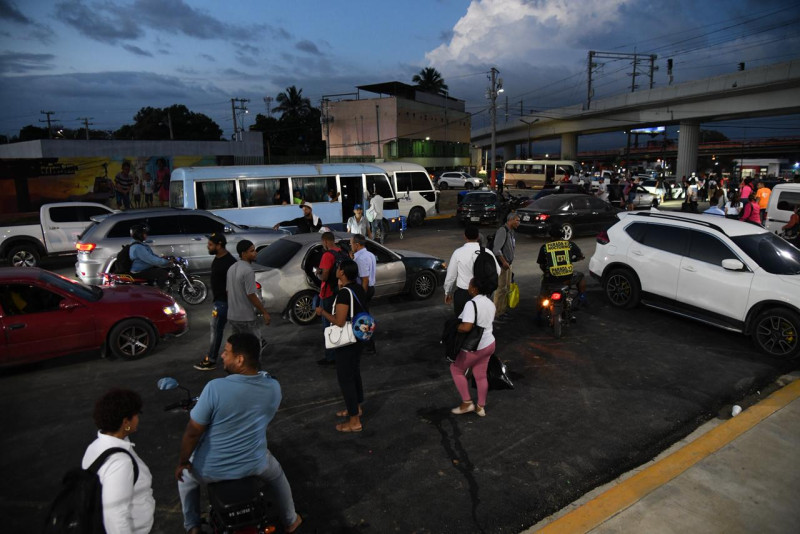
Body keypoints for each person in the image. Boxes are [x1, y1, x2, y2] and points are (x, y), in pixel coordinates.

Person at [175, 333, 302, 534]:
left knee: (185, 478)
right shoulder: (273, 387)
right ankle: (291, 520)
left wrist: (183, 462)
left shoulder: (215, 388)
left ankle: (192, 527)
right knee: (277, 475)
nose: (222, 356)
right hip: (255, 463)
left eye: (226, 352)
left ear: (240, 359)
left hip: (210, 470)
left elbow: (192, 433)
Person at [82, 388, 154, 534]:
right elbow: (115, 516)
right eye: (136, 415)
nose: (138, 419)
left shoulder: (95, 446)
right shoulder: (120, 463)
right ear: (126, 421)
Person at [315, 260, 368, 433]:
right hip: (358, 337)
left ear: (342, 272)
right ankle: (356, 408)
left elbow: (339, 321)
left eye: (338, 268)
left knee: (346, 379)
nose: (336, 270)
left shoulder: (345, 293)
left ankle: (354, 421)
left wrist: (323, 312)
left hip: (347, 342)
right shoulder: (357, 288)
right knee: (354, 373)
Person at [449, 277, 496, 418]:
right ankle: (481, 407)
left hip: (474, 347)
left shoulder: (471, 304)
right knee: (480, 376)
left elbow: (467, 327)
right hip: (489, 344)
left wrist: (455, 327)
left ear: (474, 289)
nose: (468, 287)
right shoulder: (490, 303)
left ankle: (467, 402)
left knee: (456, 369)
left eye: (470, 285)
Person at [194, 233, 237, 371]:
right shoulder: (219, 258)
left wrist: (231, 302)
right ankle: (259, 341)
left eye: (210, 244)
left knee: (216, 330)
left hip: (223, 303)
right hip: (221, 301)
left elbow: (233, 285)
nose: (208, 247)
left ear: (219, 245)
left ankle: (211, 360)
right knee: (236, 329)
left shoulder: (229, 262)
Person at [444, 225, 500, 317]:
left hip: (463, 294)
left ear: (465, 236)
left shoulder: (458, 252)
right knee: (480, 320)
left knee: (463, 320)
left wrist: (447, 292)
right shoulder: (487, 252)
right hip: (482, 293)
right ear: (478, 236)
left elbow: (451, 276)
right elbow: (497, 271)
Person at [536, 225, 587, 321]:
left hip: (550, 279)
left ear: (550, 235)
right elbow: (581, 256)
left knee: (542, 296)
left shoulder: (545, 247)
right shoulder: (570, 245)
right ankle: (582, 297)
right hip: (567, 278)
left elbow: (541, 264)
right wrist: (575, 259)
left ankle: (538, 316)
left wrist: (546, 271)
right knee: (581, 276)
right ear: (563, 235)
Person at [227, 239, 271, 346]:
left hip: (232, 317)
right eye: (252, 251)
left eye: (254, 250)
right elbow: (251, 295)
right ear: (243, 254)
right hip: (246, 317)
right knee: (254, 347)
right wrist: (264, 312)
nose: (255, 253)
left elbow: (228, 291)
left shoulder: (231, 268)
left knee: (238, 347)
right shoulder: (248, 270)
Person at [316, 232, 348, 366]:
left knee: (328, 326)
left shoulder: (327, 255)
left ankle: (331, 357)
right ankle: (341, 352)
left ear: (325, 241)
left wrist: (318, 273)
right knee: (339, 322)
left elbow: (324, 276)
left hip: (328, 293)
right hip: (339, 291)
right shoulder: (342, 252)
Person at [350, 233, 377, 353]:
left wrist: (361, 296)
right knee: (364, 317)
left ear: (357, 244)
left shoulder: (360, 259)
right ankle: (367, 344)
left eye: (351, 244)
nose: (350, 246)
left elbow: (364, 279)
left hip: (364, 289)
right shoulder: (369, 254)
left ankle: (369, 345)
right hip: (370, 288)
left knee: (363, 319)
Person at [492, 213, 520, 318]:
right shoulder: (502, 231)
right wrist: (504, 262)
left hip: (508, 264)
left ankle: (502, 311)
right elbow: (496, 249)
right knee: (500, 289)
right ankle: (496, 313)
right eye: (517, 220)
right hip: (502, 265)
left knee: (506, 288)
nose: (519, 223)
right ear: (510, 220)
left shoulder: (511, 232)